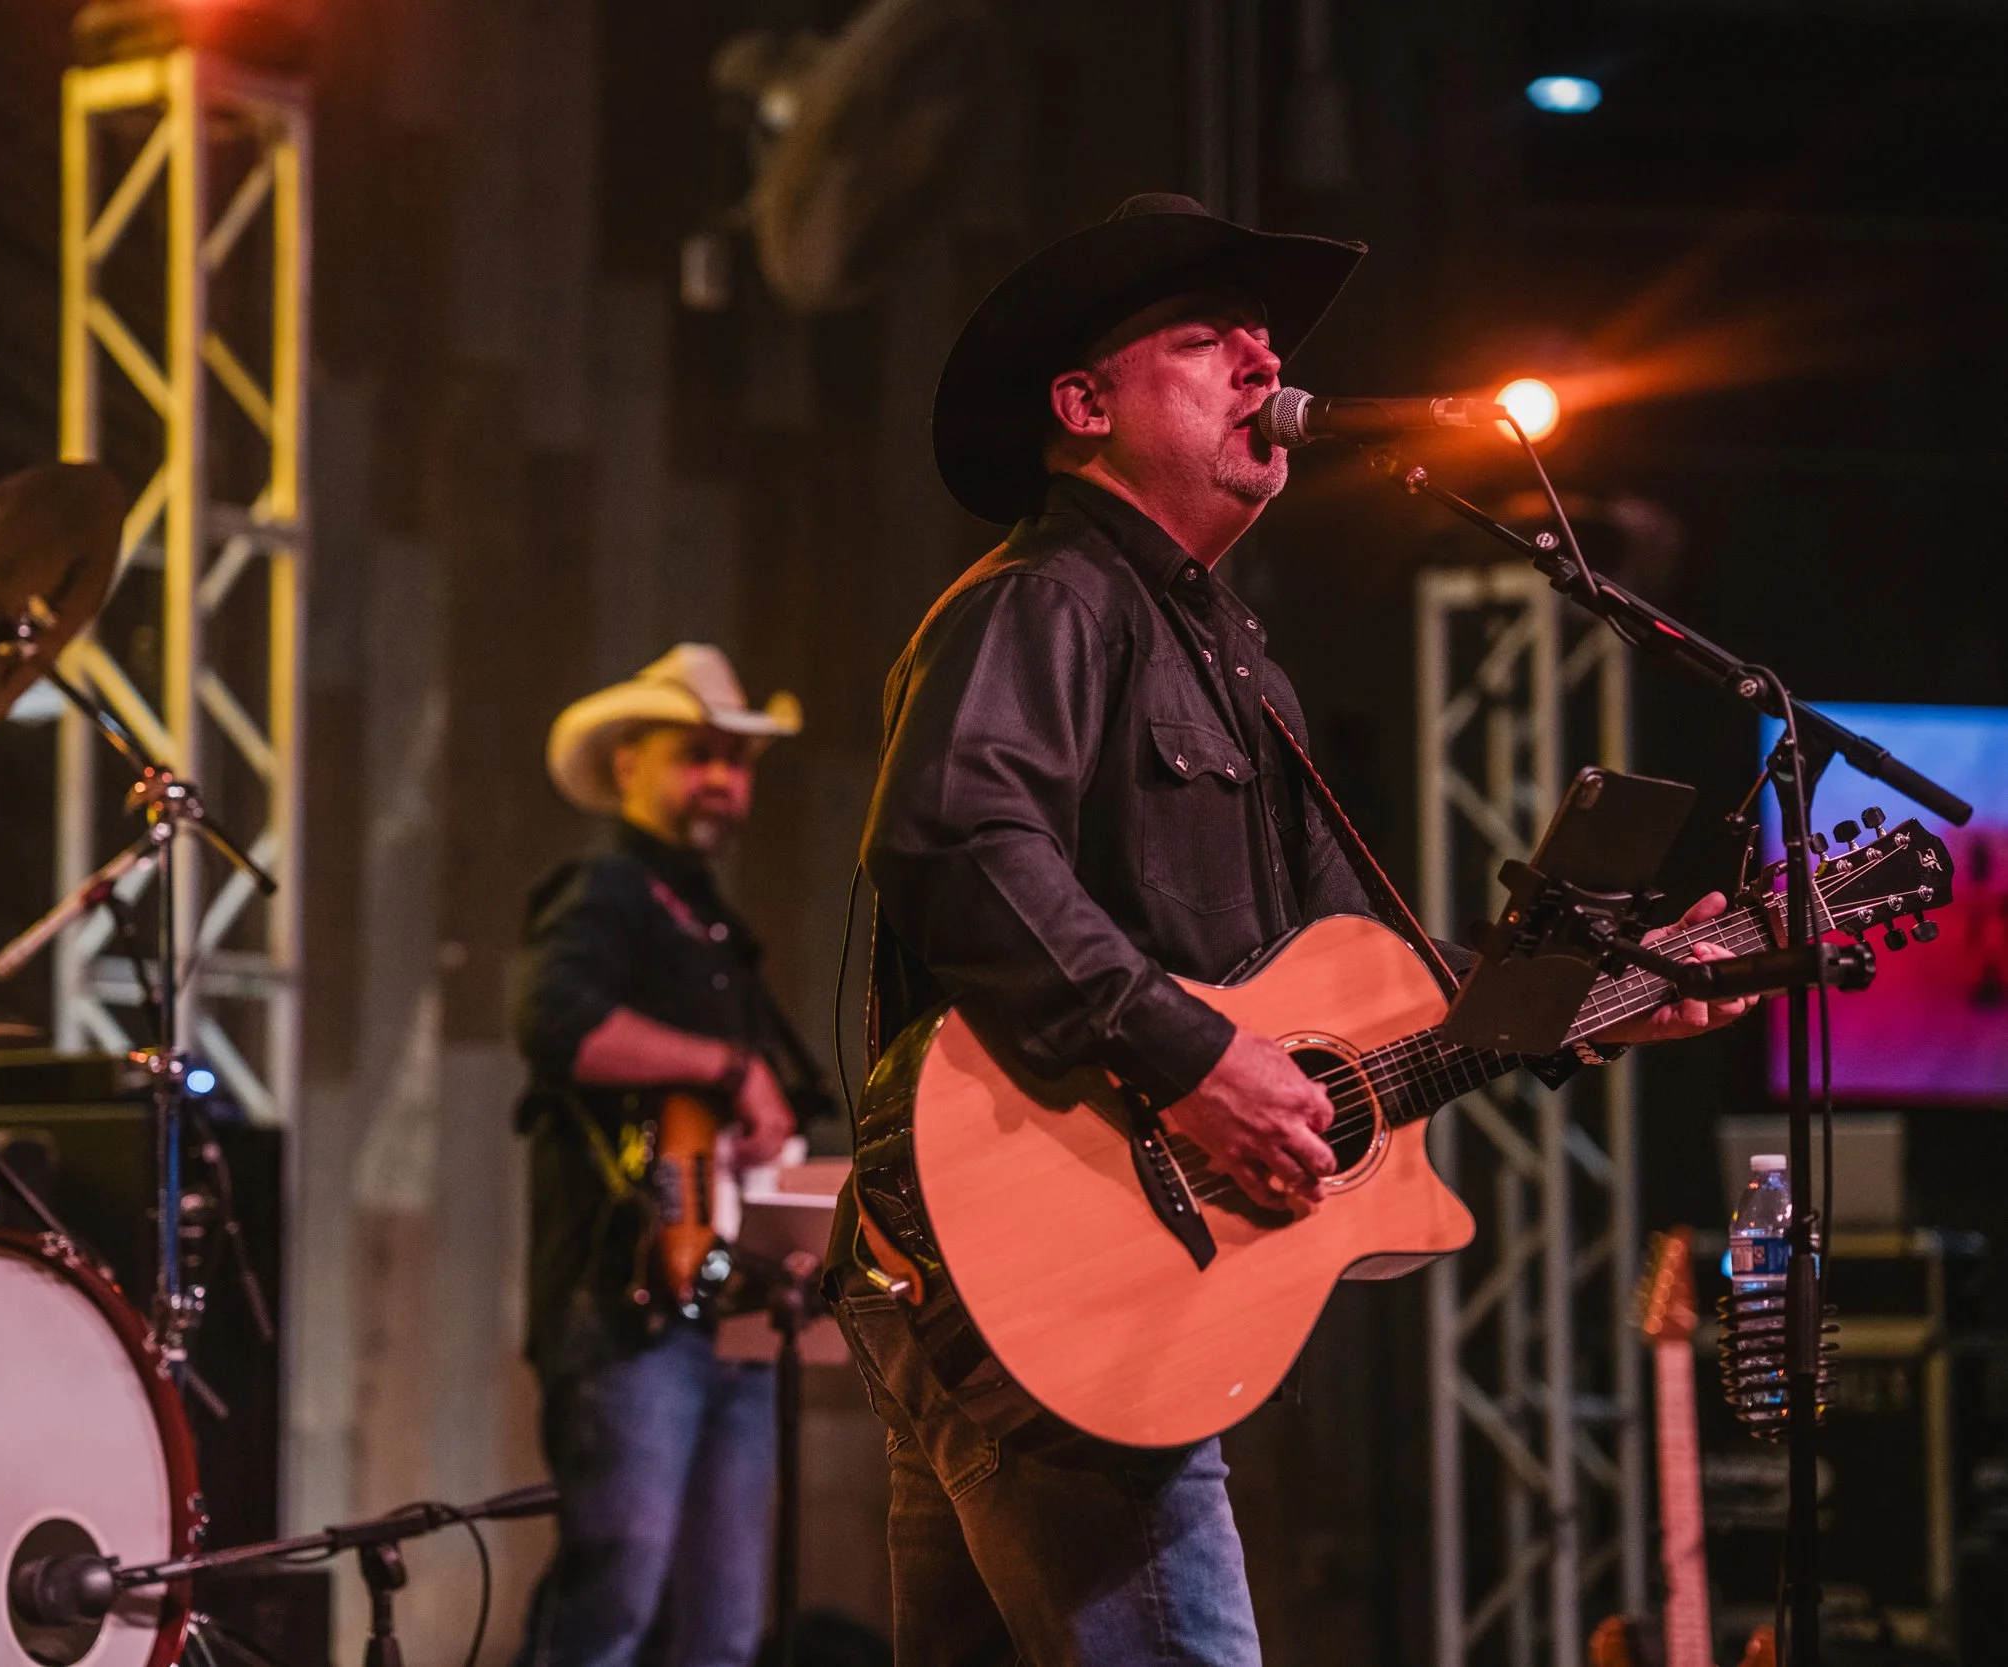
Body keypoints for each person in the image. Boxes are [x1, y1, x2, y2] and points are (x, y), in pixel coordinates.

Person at [828, 194, 1755, 1666]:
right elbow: (953, 836)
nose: (1265, 360)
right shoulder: (1051, 596)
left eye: (1263, 340)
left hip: (1056, 1282)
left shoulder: (1236, 663)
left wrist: (1599, 989)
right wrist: (1192, 1058)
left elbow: (1355, 963)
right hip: (1064, 1262)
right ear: (1083, 404)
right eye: (1205, 339)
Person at [514, 643, 829, 1667]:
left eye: (735, 763)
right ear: (625, 766)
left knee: (724, 1630)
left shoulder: (713, 926)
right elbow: (555, 1022)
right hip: (622, 1306)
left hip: (725, 1311)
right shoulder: (608, 889)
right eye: (697, 755)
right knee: (612, 1598)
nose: (722, 781)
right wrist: (732, 1068)